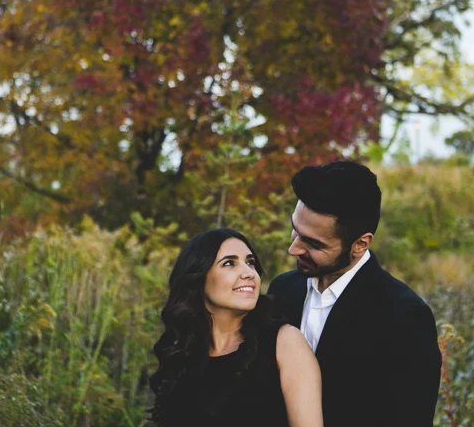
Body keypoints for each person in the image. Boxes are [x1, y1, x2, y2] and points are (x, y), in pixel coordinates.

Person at [268, 160, 442, 427]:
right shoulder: (281, 290)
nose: (294, 248)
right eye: (296, 230)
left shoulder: (404, 318)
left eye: (313, 243)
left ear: (360, 244)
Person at [149, 228, 323, 427]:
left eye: (250, 262)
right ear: (198, 278)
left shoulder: (284, 342)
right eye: (229, 263)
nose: (249, 273)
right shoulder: (184, 350)